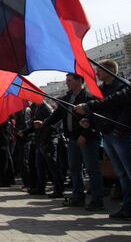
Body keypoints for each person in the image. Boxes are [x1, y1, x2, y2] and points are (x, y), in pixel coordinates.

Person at [74, 49, 131, 233]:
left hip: (123, 134)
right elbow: (104, 110)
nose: (96, 73)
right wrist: (90, 121)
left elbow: (120, 105)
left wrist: (90, 108)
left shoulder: (128, 84)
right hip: (108, 135)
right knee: (123, 174)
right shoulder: (103, 90)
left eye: (99, 70)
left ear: (109, 71)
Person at [34, 73, 104, 211]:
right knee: (74, 168)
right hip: (72, 139)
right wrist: (44, 123)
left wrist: (84, 135)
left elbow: (93, 119)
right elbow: (57, 115)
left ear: (79, 81)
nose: (67, 83)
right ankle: (78, 197)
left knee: (92, 169)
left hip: (87, 139)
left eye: (69, 80)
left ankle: (97, 200)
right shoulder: (67, 98)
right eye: (66, 80)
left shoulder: (89, 97)